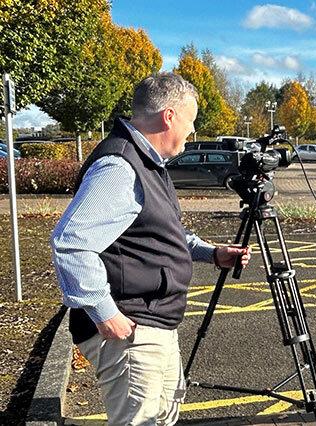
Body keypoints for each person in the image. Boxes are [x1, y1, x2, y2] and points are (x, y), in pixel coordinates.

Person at [50, 72, 251, 426]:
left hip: (152, 323)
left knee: (161, 417)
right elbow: (71, 242)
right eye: (190, 121)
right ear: (169, 116)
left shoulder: (148, 164)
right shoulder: (120, 166)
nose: (191, 132)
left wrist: (210, 252)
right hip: (132, 328)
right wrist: (104, 312)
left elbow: (158, 232)